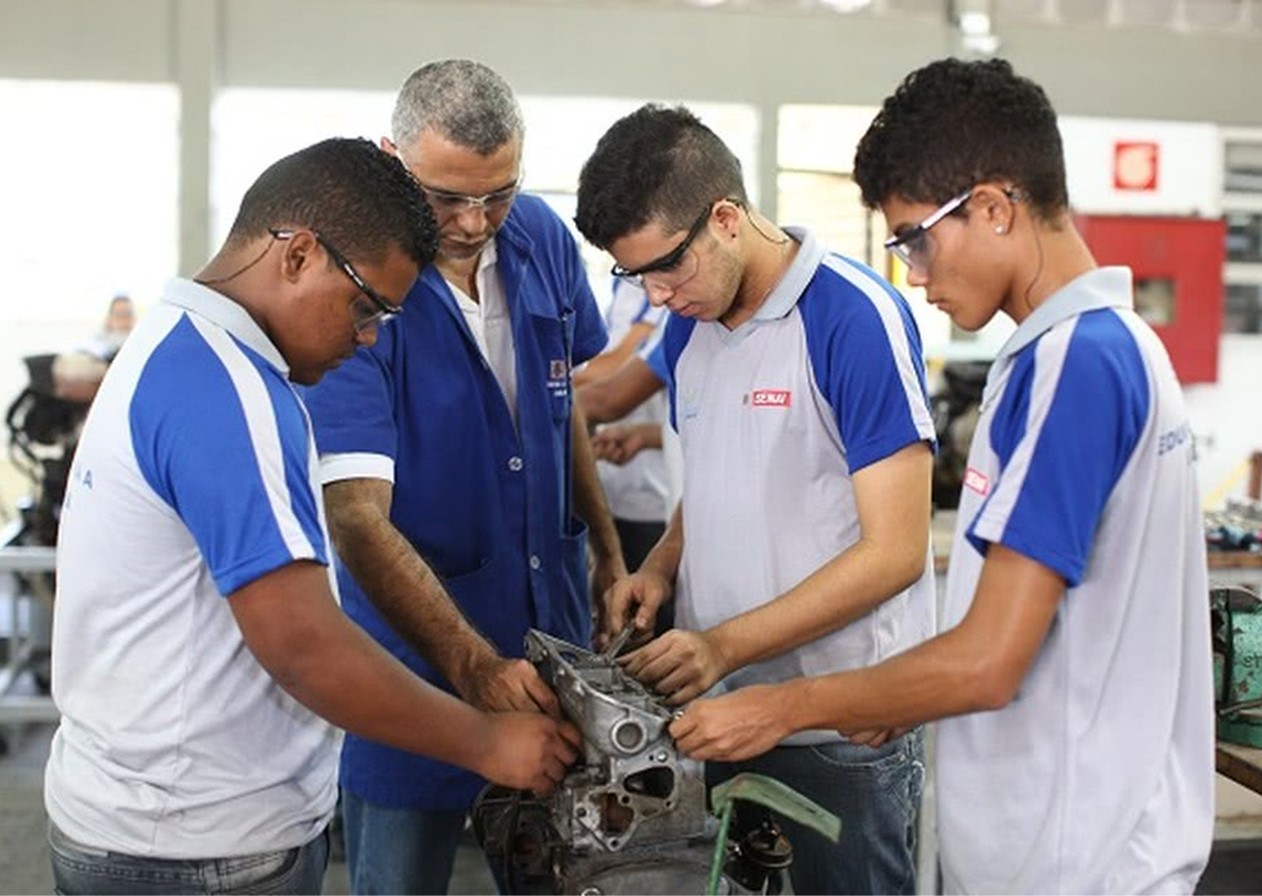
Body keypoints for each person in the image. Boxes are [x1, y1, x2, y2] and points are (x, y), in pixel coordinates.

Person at [670, 58, 1216, 895]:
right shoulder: (1106, 347)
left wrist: (780, 706)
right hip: (1083, 837)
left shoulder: (1075, 364)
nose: (913, 272)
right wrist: (893, 695)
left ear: (994, 207)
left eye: (916, 238)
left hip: (1077, 859)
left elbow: (989, 662)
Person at [43, 137, 580, 896]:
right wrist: (487, 741)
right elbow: (302, 645)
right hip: (196, 847)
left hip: (153, 815)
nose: (366, 339)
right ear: (297, 256)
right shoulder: (227, 394)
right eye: (365, 308)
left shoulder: (178, 347)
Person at [574, 103, 937, 896]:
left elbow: (897, 551)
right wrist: (662, 568)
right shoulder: (688, 329)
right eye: (635, 278)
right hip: (722, 713)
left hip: (839, 723)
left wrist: (725, 644)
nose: (658, 297)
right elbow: (711, 481)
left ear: (727, 219)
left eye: (668, 268)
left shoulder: (853, 318)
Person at [300, 60, 624, 895]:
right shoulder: (353, 286)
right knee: (401, 879)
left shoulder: (543, 240)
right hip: (415, 667)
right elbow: (357, 518)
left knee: (562, 873)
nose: (476, 222)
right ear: (389, 159)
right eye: (447, 198)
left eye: (499, 193)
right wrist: (473, 668)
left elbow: (563, 406)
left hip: (550, 636)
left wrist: (608, 549)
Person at [575, 277, 671, 571]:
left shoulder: (668, 297)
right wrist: (647, 436)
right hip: (619, 490)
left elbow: (608, 389)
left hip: (658, 499)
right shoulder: (622, 286)